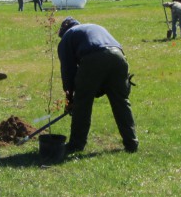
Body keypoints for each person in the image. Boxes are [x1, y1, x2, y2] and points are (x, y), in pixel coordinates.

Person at [57, 17, 138, 153]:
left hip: (94, 58)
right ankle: (131, 143)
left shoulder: (67, 37)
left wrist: (71, 99)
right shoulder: (92, 28)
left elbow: (68, 71)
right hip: (119, 57)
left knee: (82, 103)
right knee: (121, 101)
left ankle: (76, 145)